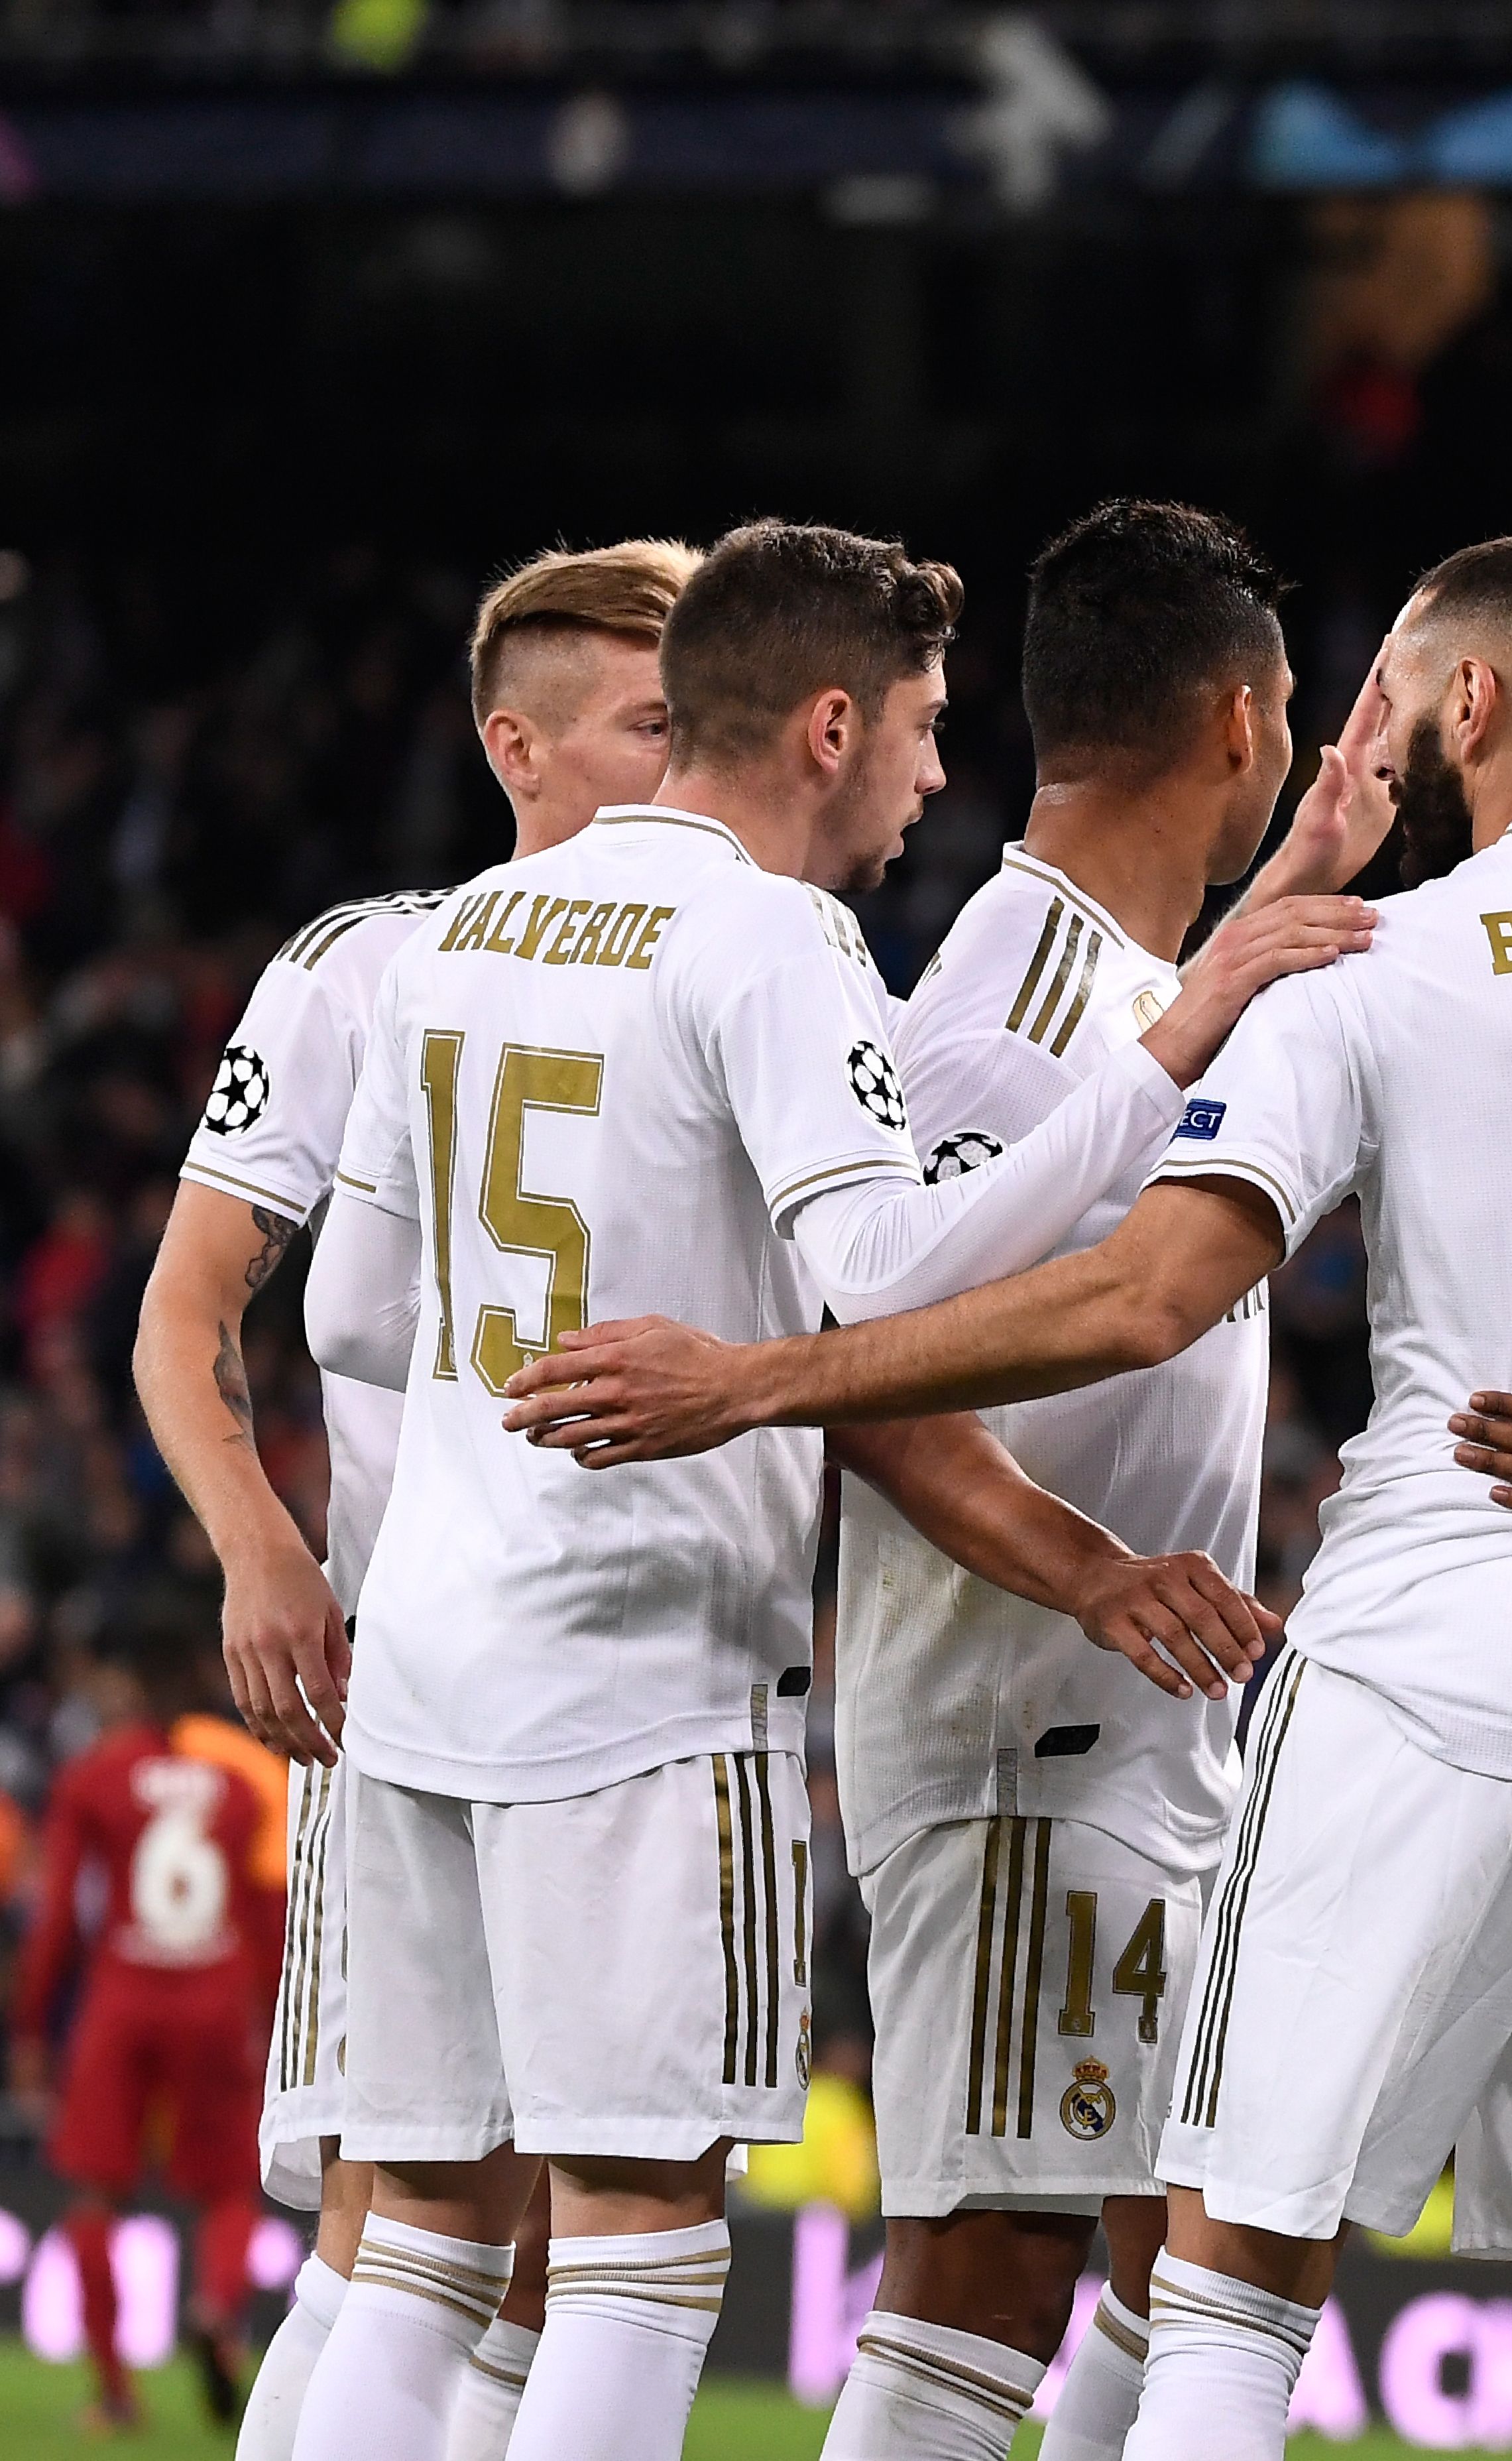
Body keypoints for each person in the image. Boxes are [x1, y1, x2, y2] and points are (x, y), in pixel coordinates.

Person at [489, 528, 1512, 2461]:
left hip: (1417, 1689)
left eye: (1386, 682)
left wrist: (766, 1375)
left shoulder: (1380, 957)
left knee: (1222, 2279)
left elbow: (1143, 1294)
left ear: (1467, 705)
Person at [280, 518, 1364, 2461]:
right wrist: (1169, 1050)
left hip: (425, 1652)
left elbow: (357, 1313)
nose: (937, 776)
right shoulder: (771, 939)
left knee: (426, 2237)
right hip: (637, 1667)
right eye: (925, 730)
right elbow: (891, 1286)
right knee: (632, 2244)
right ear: (830, 721)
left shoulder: (456, 932)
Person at [815, 500, 1380, 2461]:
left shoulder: (1126, 977)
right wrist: (1081, 1572)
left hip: (1113, 1740)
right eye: (1292, 713)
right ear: (1238, 718)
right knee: (986, 2269)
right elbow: (867, 1372)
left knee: (1199, 2247)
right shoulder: (1008, 1003)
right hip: (1018, 1732)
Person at [131, 534, 699, 2461]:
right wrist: (265, 1554)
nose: (681, 755)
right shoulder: (370, 958)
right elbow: (189, 1310)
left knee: (497, 2228)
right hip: (429, 1664)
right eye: (645, 719)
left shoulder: (745, 947)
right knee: (436, 2212)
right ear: (510, 745)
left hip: (621, 1657)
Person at [9, 1624, 273, 2431]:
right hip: (216, 1994)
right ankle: (218, 2316)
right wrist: (264, 2016)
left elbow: (58, 1916)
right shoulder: (238, 1789)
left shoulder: (94, 1778)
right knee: (229, 2188)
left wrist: (30, 2027)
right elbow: (267, 1916)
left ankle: (117, 2393)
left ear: (127, 1691)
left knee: (94, 2194)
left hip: (122, 1997)